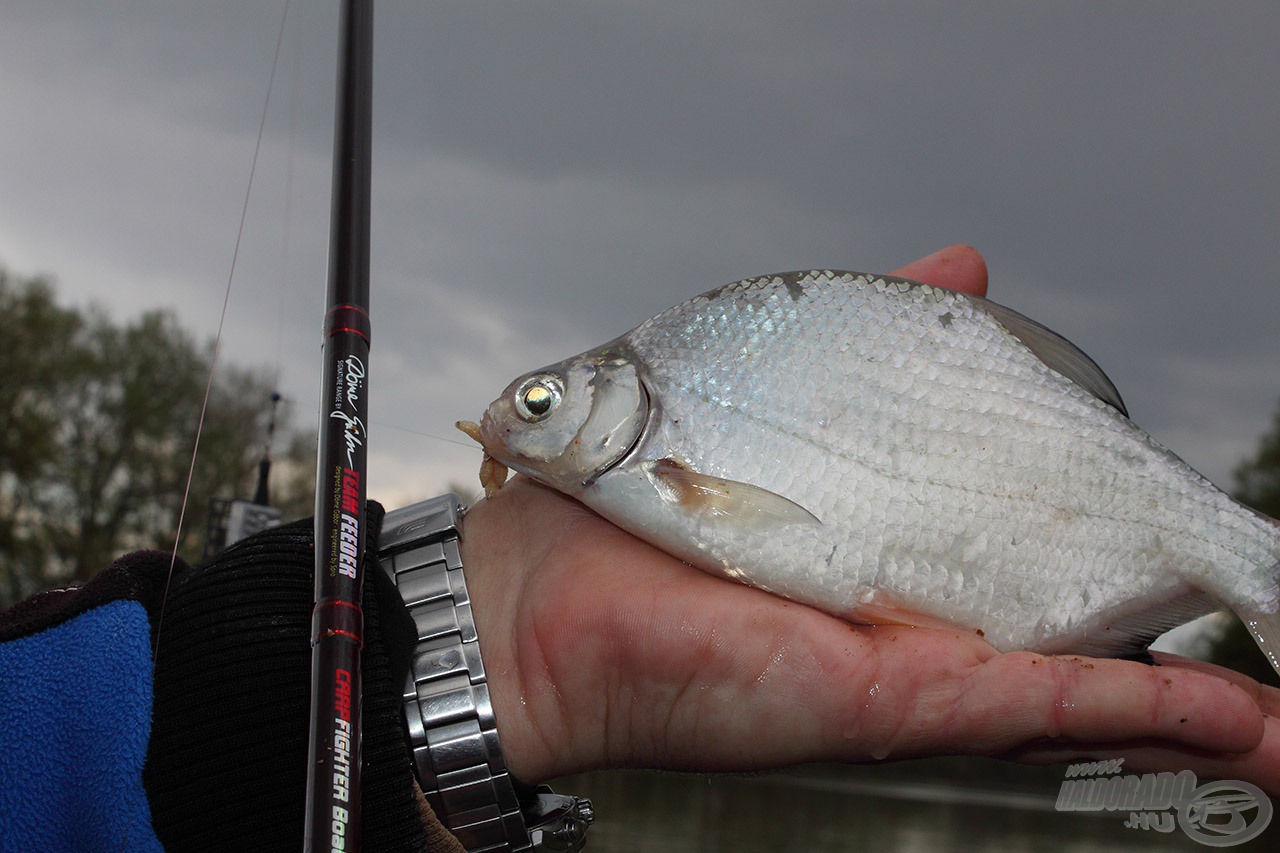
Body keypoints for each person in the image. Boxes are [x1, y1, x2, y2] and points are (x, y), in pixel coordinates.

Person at [1, 246, 1275, 852]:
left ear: (621, 398)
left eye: (545, 404)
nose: (518, 415)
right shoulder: (649, 454)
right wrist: (494, 631)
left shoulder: (671, 423)